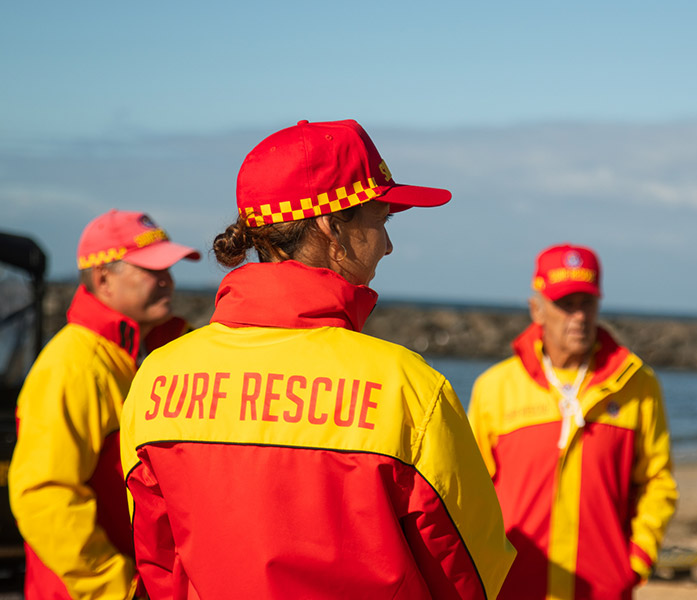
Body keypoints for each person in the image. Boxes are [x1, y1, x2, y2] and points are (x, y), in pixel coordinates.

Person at [119, 119, 516, 599]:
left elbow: (158, 561)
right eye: (382, 218)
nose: (388, 245)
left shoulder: (158, 376)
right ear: (331, 227)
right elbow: (472, 570)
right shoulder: (407, 385)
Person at [467, 243, 678, 600]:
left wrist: (638, 559)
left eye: (587, 303)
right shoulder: (495, 388)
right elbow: (470, 492)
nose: (578, 317)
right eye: (566, 305)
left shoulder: (638, 384)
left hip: (604, 588)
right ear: (537, 309)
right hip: (514, 587)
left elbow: (658, 481)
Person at [9, 209, 200, 599]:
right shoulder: (72, 364)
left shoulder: (147, 355)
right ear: (102, 279)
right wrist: (117, 587)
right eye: (151, 268)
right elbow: (44, 495)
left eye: (169, 267)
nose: (168, 279)